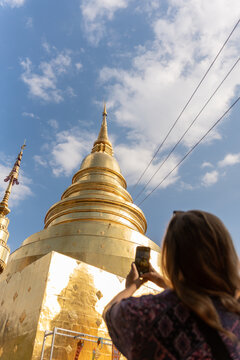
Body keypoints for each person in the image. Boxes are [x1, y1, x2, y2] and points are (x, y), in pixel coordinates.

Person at [103, 210, 240, 359]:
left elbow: (110, 312)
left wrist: (132, 286)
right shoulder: (234, 312)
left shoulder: (150, 312)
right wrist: (166, 284)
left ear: (170, 259)